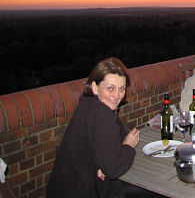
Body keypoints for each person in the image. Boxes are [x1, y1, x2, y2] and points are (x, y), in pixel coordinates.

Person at [46, 57, 140, 198]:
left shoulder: (90, 104)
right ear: (95, 87)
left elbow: (116, 137)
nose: (117, 95)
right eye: (110, 88)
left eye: (121, 89)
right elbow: (115, 168)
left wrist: (104, 163)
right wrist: (128, 145)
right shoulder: (100, 113)